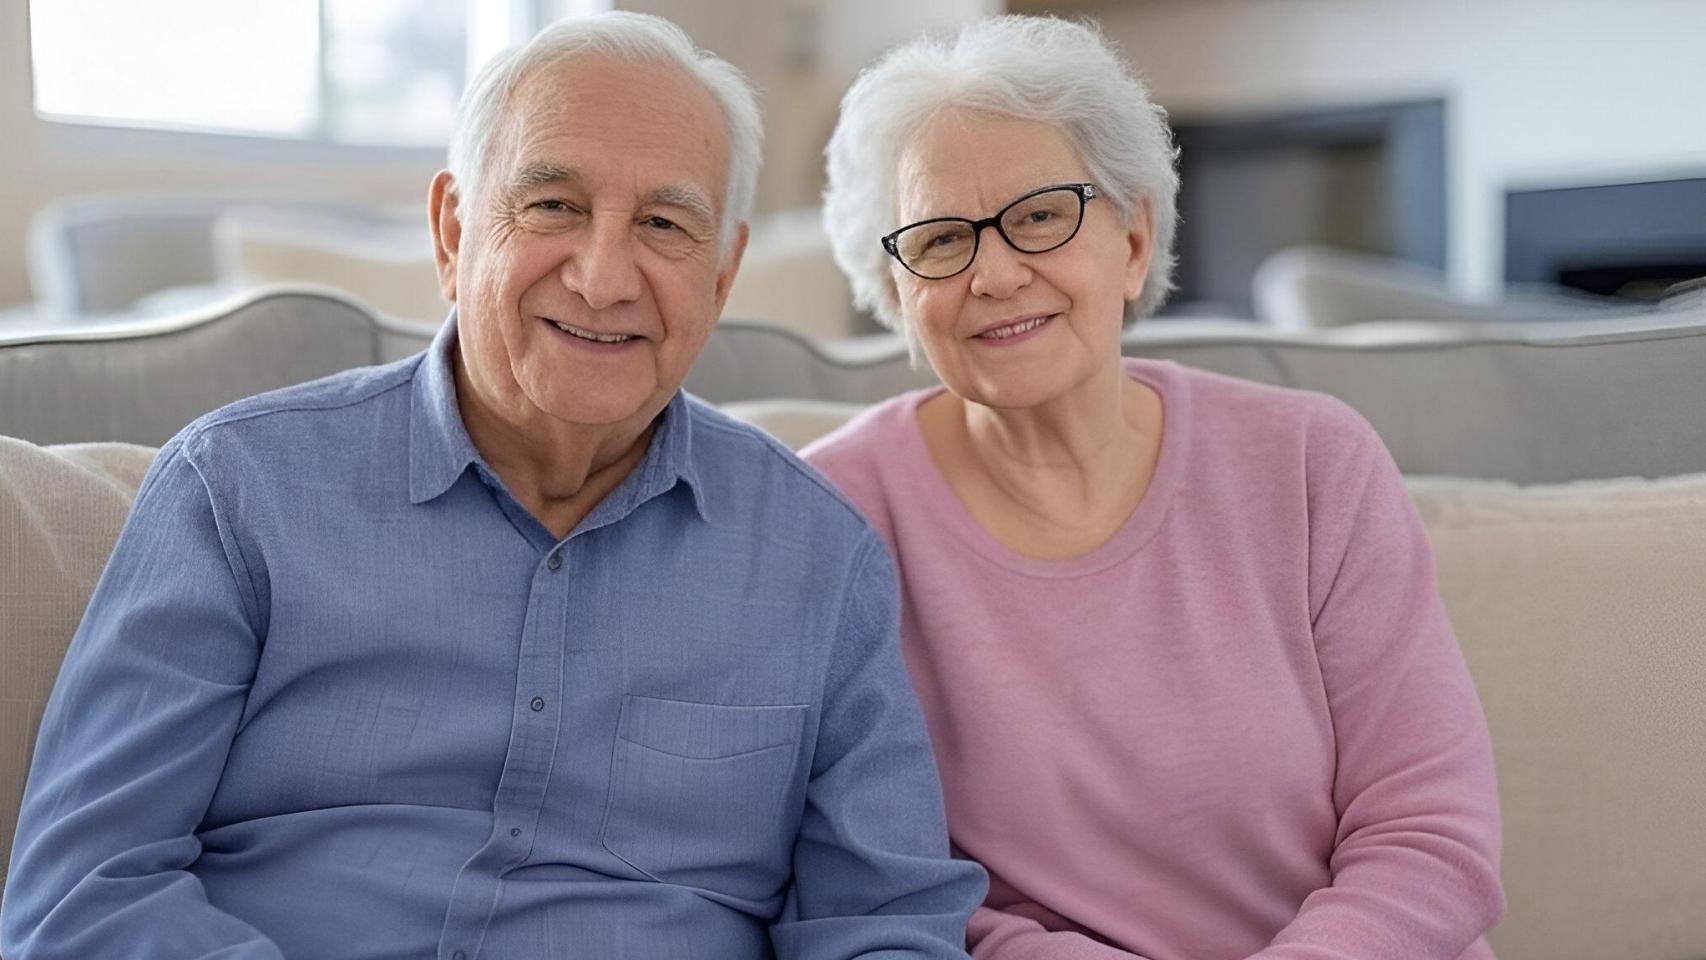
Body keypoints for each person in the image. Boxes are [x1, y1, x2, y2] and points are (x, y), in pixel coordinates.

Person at [2, 13, 984, 960]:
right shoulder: (236, 492)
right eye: (553, 205)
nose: (604, 277)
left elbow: (882, 921)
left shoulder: (819, 559)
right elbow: (86, 894)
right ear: (451, 231)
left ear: (721, 277)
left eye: (662, 222)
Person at [804, 15, 1503, 960]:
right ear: (895, 292)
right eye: (938, 239)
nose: (996, 273)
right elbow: (882, 885)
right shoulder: (834, 518)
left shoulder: (1310, 463)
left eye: (1042, 215)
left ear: (1132, 237)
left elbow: (1430, 833)